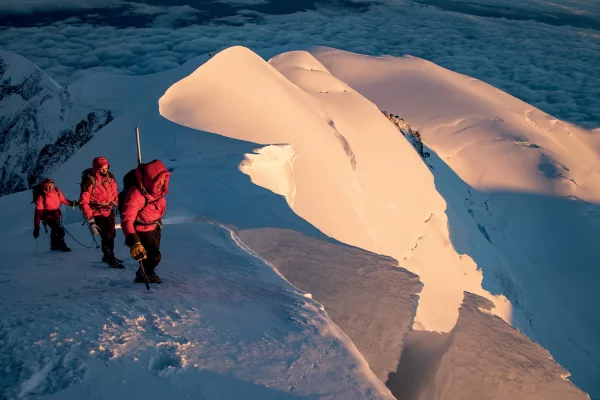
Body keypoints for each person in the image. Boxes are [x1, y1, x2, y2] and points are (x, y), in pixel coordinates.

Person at [121, 160, 170, 284]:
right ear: (150, 179)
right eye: (159, 180)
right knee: (154, 256)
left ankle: (145, 273)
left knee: (150, 256)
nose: (162, 182)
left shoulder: (156, 191)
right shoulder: (136, 194)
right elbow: (127, 219)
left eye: (164, 179)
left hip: (155, 227)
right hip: (143, 231)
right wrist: (134, 242)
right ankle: (144, 274)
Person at [80, 157, 123, 268]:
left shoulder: (110, 177)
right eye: (102, 168)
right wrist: (91, 219)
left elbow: (114, 191)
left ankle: (108, 255)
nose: (105, 170)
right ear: (96, 168)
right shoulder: (89, 181)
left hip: (109, 210)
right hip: (97, 212)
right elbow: (84, 201)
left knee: (112, 234)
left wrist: (116, 203)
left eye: (106, 167)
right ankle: (110, 258)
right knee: (106, 235)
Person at [33, 178, 78, 252]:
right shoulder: (41, 196)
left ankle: (54, 245)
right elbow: (38, 213)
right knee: (59, 231)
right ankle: (62, 245)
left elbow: (63, 200)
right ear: (44, 186)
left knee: (55, 230)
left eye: (51, 185)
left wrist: (72, 203)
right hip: (47, 216)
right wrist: (36, 227)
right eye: (47, 185)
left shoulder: (57, 191)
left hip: (56, 214)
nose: (49, 187)